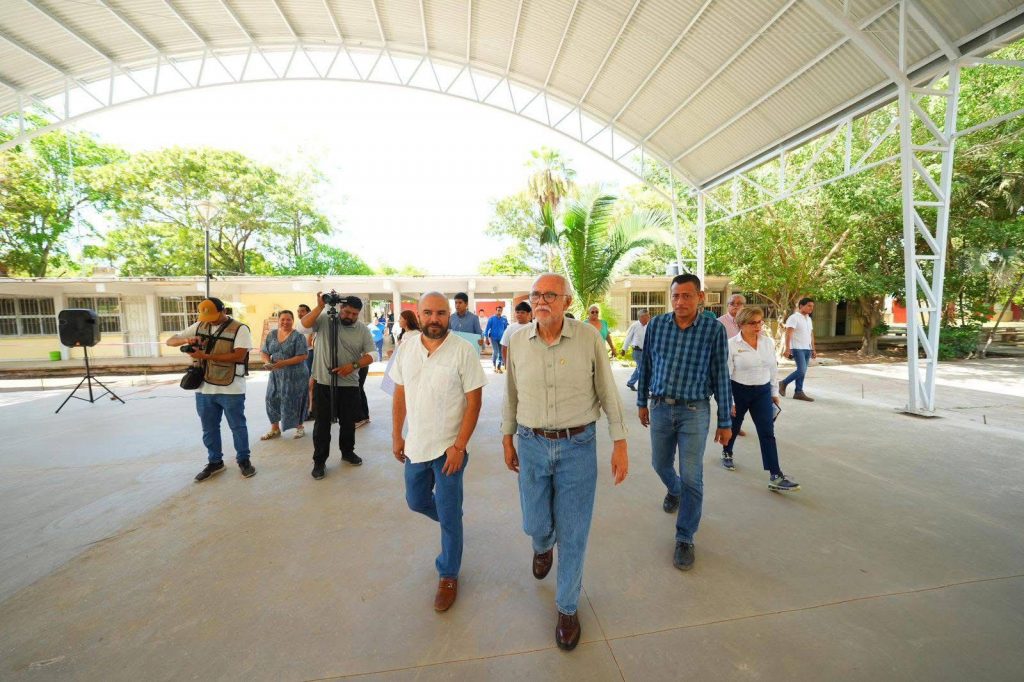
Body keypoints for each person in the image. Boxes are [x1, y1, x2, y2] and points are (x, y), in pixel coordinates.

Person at [501, 273, 628, 651]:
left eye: (550, 295)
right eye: (536, 295)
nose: (540, 301)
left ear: (567, 301)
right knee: (535, 522)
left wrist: (619, 441)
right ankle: (542, 545)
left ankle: (567, 607)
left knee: (573, 533)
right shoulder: (518, 340)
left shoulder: (588, 338)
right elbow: (510, 392)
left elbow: (607, 390)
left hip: (578, 447)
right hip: (531, 443)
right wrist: (506, 436)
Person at [390, 292, 486, 613]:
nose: (435, 319)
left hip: (449, 450)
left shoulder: (463, 350)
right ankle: (451, 519)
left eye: (441, 313)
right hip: (416, 445)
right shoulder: (406, 348)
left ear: (449, 316)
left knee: (447, 510)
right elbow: (399, 394)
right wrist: (397, 435)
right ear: (418, 315)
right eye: (428, 313)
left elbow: (474, 403)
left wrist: (459, 447)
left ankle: (448, 574)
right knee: (416, 501)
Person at [637, 274, 731, 572]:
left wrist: (725, 421)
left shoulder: (713, 330)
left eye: (687, 296)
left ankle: (685, 537)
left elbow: (721, 375)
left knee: (692, 476)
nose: (680, 302)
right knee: (660, 464)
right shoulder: (657, 325)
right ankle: (673, 489)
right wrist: (641, 403)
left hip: (695, 410)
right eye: (676, 296)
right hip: (660, 408)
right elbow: (646, 365)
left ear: (700, 297)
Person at [166, 297, 256, 482]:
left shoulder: (240, 329)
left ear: (224, 311)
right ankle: (215, 462)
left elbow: (239, 356)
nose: (211, 321)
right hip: (204, 388)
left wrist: (205, 355)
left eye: (214, 317)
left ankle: (244, 460)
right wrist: (188, 339)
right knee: (209, 428)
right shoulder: (200, 325)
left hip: (231, 387)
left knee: (237, 426)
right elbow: (170, 341)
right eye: (207, 318)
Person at [722, 307, 800, 491]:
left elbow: (772, 369)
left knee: (767, 432)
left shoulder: (767, 342)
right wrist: (730, 401)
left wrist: (774, 393)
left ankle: (775, 475)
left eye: (760, 322)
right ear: (741, 324)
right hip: (739, 390)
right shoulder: (731, 345)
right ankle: (727, 452)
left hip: (762, 392)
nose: (757, 326)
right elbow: (726, 375)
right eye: (752, 323)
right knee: (734, 426)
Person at [300, 293, 375, 480]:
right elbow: (302, 326)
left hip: (349, 385)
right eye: (347, 312)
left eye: (354, 314)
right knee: (322, 424)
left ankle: (347, 452)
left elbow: (372, 354)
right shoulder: (325, 320)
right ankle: (319, 461)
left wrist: (353, 366)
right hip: (323, 383)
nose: (350, 316)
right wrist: (319, 307)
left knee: (348, 423)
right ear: (341, 308)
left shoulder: (362, 330)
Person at [260, 310, 309, 440]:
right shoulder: (272, 335)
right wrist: (267, 362)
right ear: (278, 320)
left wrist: (283, 363)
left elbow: (303, 356)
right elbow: (264, 352)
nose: (285, 322)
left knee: (295, 399)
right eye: (282, 319)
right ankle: (275, 429)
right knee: (271, 398)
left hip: (295, 375)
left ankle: (300, 427)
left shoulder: (298, 336)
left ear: (293, 321)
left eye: (288, 319)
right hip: (276, 374)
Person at [780, 297, 817, 402]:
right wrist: (787, 348)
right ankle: (783, 383)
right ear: (801, 306)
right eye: (809, 306)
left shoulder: (808, 319)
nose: (811, 308)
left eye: (812, 306)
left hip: (807, 348)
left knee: (803, 371)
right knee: (801, 370)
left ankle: (798, 392)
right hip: (797, 348)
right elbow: (788, 334)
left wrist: (813, 349)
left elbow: (810, 335)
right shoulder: (794, 318)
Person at [621, 308, 650, 391]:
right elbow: (628, 338)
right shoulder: (635, 325)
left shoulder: (648, 325)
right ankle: (644, 390)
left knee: (639, 369)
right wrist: (624, 349)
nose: (649, 317)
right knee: (643, 370)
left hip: (645, 351)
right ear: (641, 317)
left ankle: (630, 383)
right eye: (647, 316)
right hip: (637, 352)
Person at [297, 303, 316, 421]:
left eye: (302, 311)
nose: (299, 313)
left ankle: (311, 410)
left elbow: (308, 342)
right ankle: (307, 410)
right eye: (298, 311)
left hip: (310, 354)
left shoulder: (311, 324)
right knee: (305, 384)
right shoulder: (300, 325)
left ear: (308, 312)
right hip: (303, 356)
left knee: (310, 384)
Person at [500, 300, 532, 365]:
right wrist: (506, 364)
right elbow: (504, 347)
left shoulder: (534, 327)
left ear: (528, 314)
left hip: (531, 361)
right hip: (515, 362)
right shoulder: (510, 328)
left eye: (522, 312)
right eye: (517, 312)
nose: (519, 314)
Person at [484, 305, 509, 373]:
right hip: (493, 338)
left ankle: (499, 367)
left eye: (500, 310)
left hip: (502, 338)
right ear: (496, 311)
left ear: (502, 311)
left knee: (501, 352)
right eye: (498, 310)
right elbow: (487, 329)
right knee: (496, 351)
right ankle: (494, 365)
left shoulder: (504, 320)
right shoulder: (491, 319)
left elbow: (506, 330)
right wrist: (486, 338)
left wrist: (507, 338)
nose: (499, 312)